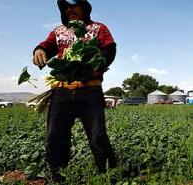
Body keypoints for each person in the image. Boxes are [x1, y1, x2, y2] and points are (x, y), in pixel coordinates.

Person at [32, 0, 117, 183]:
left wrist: (97, 64)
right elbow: (47, 45)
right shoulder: (58, 32)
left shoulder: (98, 28)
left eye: (74, 4)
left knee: (97, 135)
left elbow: (109, 49)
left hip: (90, 90)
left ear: (84, 7)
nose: (70, 9)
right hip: (61, 91)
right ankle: (56, 173)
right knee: (55, 134)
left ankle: (109, 172)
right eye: (65, 7)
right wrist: (39, 50)